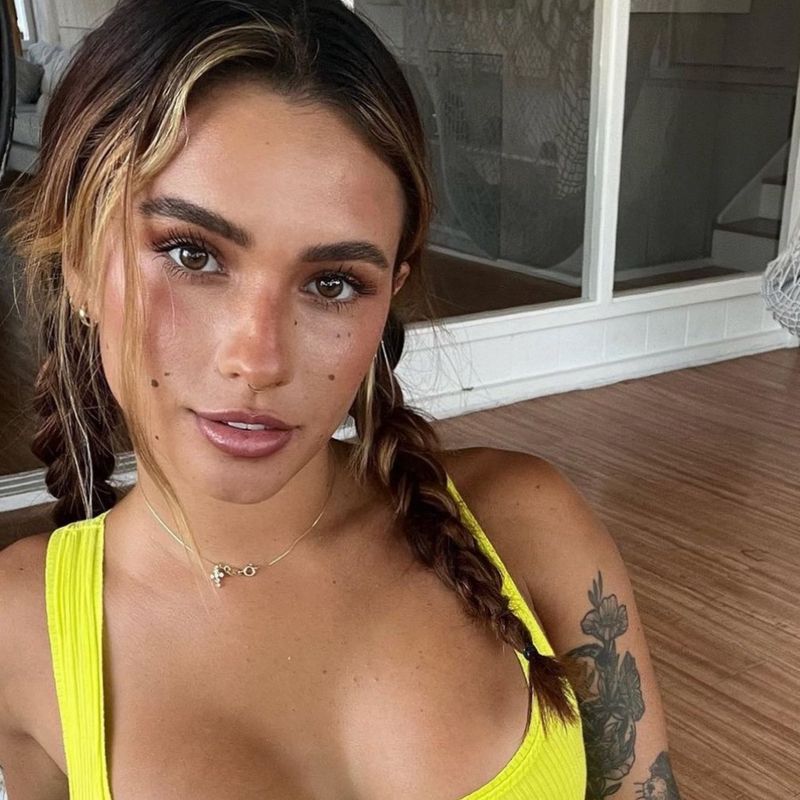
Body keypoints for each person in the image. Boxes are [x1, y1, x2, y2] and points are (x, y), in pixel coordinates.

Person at [0, 1, 680, 798]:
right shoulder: (20, 631)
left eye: (332, 284)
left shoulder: (526, 523)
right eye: (191, 254)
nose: (258, 359)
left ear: (389, 293)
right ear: (79, 262)